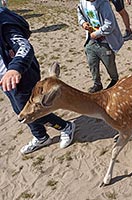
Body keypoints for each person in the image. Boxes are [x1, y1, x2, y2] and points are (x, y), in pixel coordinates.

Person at [0, 7, 76, 154]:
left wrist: (15, 68)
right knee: (19, 110)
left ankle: (65, 126)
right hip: (5, 79)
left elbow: (24, 46)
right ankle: (41, 136)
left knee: (29, 112)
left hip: (20, 76)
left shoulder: (5, 23)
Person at [77, 0, 124, 93]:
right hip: (91, 40)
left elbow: (110, 24)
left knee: (109, 63)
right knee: (92, 62)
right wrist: (83, 23)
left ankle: (115, 80)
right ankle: (97, 83)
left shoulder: (104, 4)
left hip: (105, 41)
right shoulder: (83, 2)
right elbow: (80, 13)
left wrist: (98, 33)